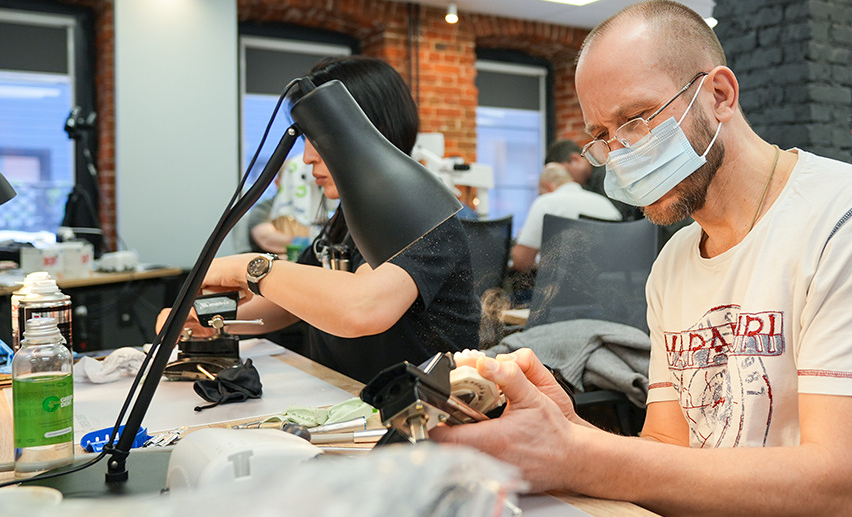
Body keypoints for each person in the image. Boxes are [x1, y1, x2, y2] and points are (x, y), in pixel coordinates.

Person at [433, 0, 852, 517]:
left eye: (637, 119)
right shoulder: (674, 262)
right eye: (603, 135)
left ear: (719, 95)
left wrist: (579, 457)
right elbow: (668, 456)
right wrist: (568, 429)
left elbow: (839, 502)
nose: (620, 153)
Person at [160, 56, 479, 384]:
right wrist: (204, 317)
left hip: (420, 409)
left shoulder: (423, 216)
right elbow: (288, 306)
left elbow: (362, 307)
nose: (308, 156)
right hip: (345, 397)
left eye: (320, 138)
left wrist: (248, 267)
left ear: (369, 133)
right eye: (306, 139)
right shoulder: (346, 220)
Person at [509, 162, 621, 272]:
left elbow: (521, 262)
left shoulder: (545, 202)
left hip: (562, 281)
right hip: (609, 280)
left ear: (547, 187)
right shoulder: (605, 203)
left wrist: (524, 239)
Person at [546, 138, 639, 221]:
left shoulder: (609, 175)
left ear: (575, 159)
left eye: (563, 172)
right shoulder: (586, 185)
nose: (563, 178)